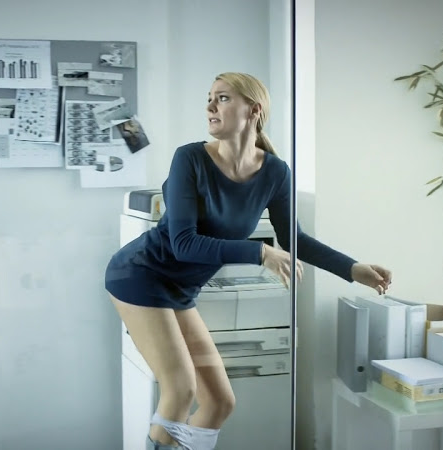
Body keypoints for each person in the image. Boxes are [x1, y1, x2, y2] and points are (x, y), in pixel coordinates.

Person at [104, 72, 392, 450]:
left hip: (180, 288)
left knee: (219, 402)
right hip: (140, 274)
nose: (210, 106)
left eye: (222, 98)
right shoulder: (190, 158)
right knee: (180, 390)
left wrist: (352, 269)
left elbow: (295, 240)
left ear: (253, 110)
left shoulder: (275, 172)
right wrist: (259, 252)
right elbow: (184, 244)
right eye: (209, 97)